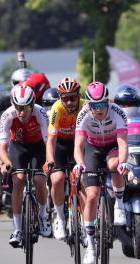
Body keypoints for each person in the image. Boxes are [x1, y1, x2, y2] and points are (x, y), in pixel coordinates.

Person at [74, 81, 129, 264]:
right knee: (92, 195)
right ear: (88, 104)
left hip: (112, 146)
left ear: (107, 101)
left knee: (115, 164)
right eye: (94, 105)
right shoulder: (83, 115)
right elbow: (78, 146)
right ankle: (90, 247)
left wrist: (123, 163)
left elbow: (122, 143)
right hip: (93, 149)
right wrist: (80, 163)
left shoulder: (117, 112)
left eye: (102, 104)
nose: (98, 109)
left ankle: (119, 205)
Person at [0, 84, 51, 247]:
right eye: (18, 107)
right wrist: (6, 162)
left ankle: (43, 216)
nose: (22, 112)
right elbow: (3, 147)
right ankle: (17, 228)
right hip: (18, 146)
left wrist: (49, 160)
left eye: (26, 108)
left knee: (39, 180)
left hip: (38, 147)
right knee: (18, 180)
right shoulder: (7, 115)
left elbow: (48, 141)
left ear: (32, 104)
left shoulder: (40, 113)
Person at [45, 77, 84, 240]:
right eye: (65, 98)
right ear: (60, 98)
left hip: (79, 143)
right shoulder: (56, 108)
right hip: (60, 144)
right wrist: (50, 161)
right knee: (57, 179)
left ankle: (85, 220)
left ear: (78, 96)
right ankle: (60, 218)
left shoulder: (85, 107)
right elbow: (51, 140)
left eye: (73, 98)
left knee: (85, 179)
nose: (69, 102)